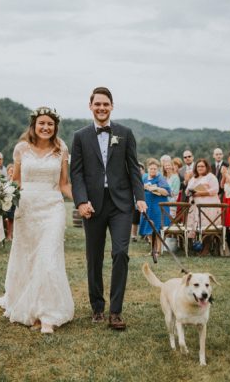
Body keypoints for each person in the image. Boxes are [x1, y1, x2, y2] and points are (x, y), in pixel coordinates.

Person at [70, 87, 146, 331]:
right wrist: (81, 201)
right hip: (93, 204)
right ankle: (96, 307)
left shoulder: (125, 133)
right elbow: (77, 173)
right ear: (90, 106)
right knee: (94, 257)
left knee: (120, 253)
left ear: (112, 106)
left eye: (106, 104)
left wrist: (140, 197)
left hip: (121, 203)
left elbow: (133, 168)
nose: (101, 108)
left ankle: (115, 311)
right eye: (97, 104)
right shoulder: (80, 136)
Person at [0, 106, 74, 334]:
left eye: (50, 124)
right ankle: (31, 307)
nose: (46, 127)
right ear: (34, 125)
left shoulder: (61, 149)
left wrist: (81, 202)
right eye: (42, 123)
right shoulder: (21, 149)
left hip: (53, 207)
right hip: (27, 208)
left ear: (55, 127)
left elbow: (64, 184)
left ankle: (48, 315)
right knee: (28, 258)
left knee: (48, 258)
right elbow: (16, 181)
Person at [185, 159, 220, 255]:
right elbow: (187, 191)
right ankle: (195, 248)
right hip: (195, 206)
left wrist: (200, 192)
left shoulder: (211, 177)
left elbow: (215, 190)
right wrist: (190, 191)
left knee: (206, 227)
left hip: (208, 206)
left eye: (202, 166)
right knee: (195, 227)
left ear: (206, 167)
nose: (200, 168)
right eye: (198, 166)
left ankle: (206, 248)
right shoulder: (193, 178)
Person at [139, 158, 171, 255]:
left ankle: (158, 250)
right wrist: (143, 187)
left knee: (157, 228)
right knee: (148, 228)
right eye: (151, 168)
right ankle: (153, 250)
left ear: (158, 169)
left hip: (158, 207)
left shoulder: (160, 178)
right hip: (147, 206)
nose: (153, 170)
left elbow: (167, 192)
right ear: (148, 168)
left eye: (155, 169)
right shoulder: (144, 178)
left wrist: (156, 188)